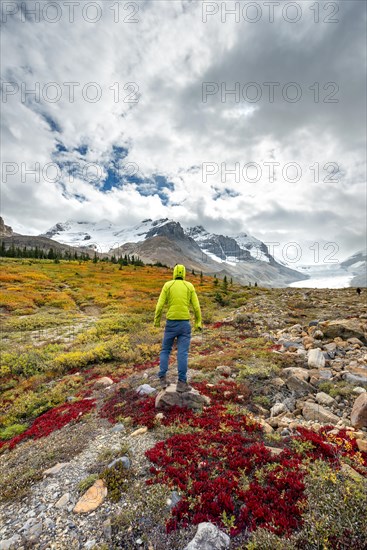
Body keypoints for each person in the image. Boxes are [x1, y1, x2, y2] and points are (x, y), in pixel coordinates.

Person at [154, 264, 202, 392]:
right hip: (185, 324)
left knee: (165, 350)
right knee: (183, 353)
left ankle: (163, 379)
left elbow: (159, 305)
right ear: (184, 273)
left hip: (170, 324)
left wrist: (157, 321)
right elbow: (196, 307)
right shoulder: (189, 286)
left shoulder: (167, 285)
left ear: (174, 273)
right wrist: (198, 322)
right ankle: (181, 383)